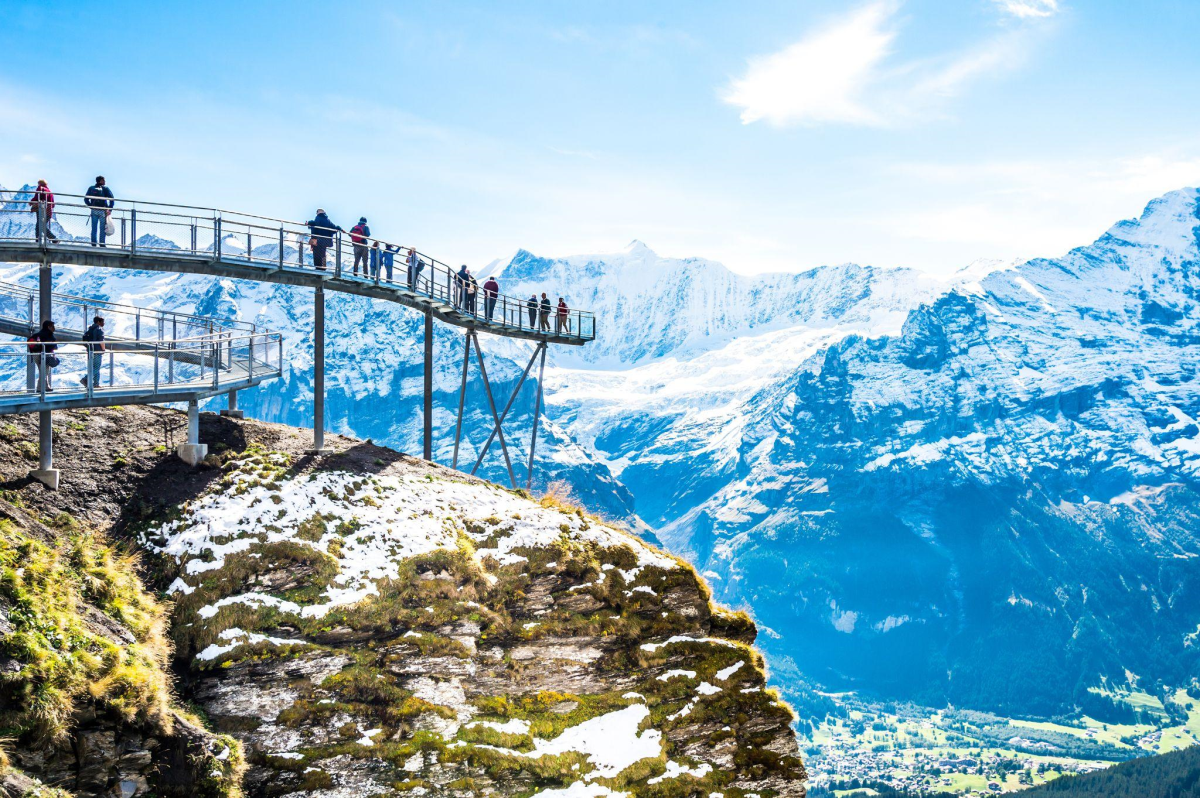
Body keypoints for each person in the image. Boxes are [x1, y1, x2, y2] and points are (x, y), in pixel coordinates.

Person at [28, 320, 58, 392]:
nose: (54, 328)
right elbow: (52, 346)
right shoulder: (49, 335)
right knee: (45, 371)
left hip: (36, 354)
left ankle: (46, 386)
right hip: (44, 355)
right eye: (52, 326)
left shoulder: (38, 334)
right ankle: (40, 388)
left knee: (44, 370)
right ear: (48, 327)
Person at [84, 176, 115, 246]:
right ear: (100, 181)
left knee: (94, 228)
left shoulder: (91, 188)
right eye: (104, 180)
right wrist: (109, 209)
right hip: (103, 211)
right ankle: (102, 244)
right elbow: (112, 199)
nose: (105, 182)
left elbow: (86, 199)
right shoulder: (105, 189)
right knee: (102, 229)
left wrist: (91, 206)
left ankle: (94, 244)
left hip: (94, 210)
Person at [80, 315, 105, 387]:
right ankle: (85, 379)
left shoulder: (90, 329)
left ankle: (96, 384)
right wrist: (103, 349)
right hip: (97, 351)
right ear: (98, 322)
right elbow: (101, 341)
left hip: (90, 350)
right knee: (97, 367)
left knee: (94, 367)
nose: (103, 323)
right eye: (102, 322)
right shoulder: (99, 329)